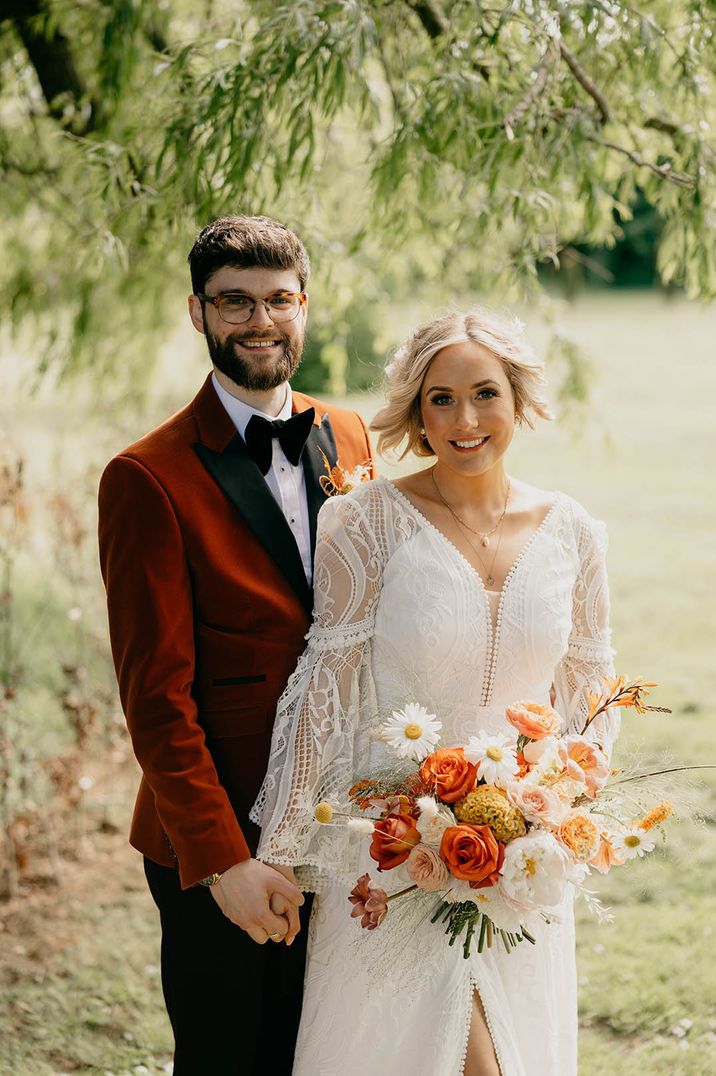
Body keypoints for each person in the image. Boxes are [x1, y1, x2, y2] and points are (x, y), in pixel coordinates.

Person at [252, 308, 620, 1076]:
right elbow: (326, 684)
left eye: (485, 393)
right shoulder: (364, 522)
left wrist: (554, 815)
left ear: (518, 400)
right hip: (392, 850)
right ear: (417, 413)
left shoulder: (575, 532)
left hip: (523, 860)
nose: (465, 419)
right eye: (440, 399)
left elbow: (589, 703)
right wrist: (281, 848)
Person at [97, 214, 374, 1075]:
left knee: (325, 1051)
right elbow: (156, 702)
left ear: (305, 305)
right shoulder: (146, 477)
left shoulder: (350, 434)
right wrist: (225, 864)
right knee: (231, 1059)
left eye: (279, 300)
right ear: (197, 312)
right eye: (234, 303)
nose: (260, 321)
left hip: (345, 821)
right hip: (228, 833)